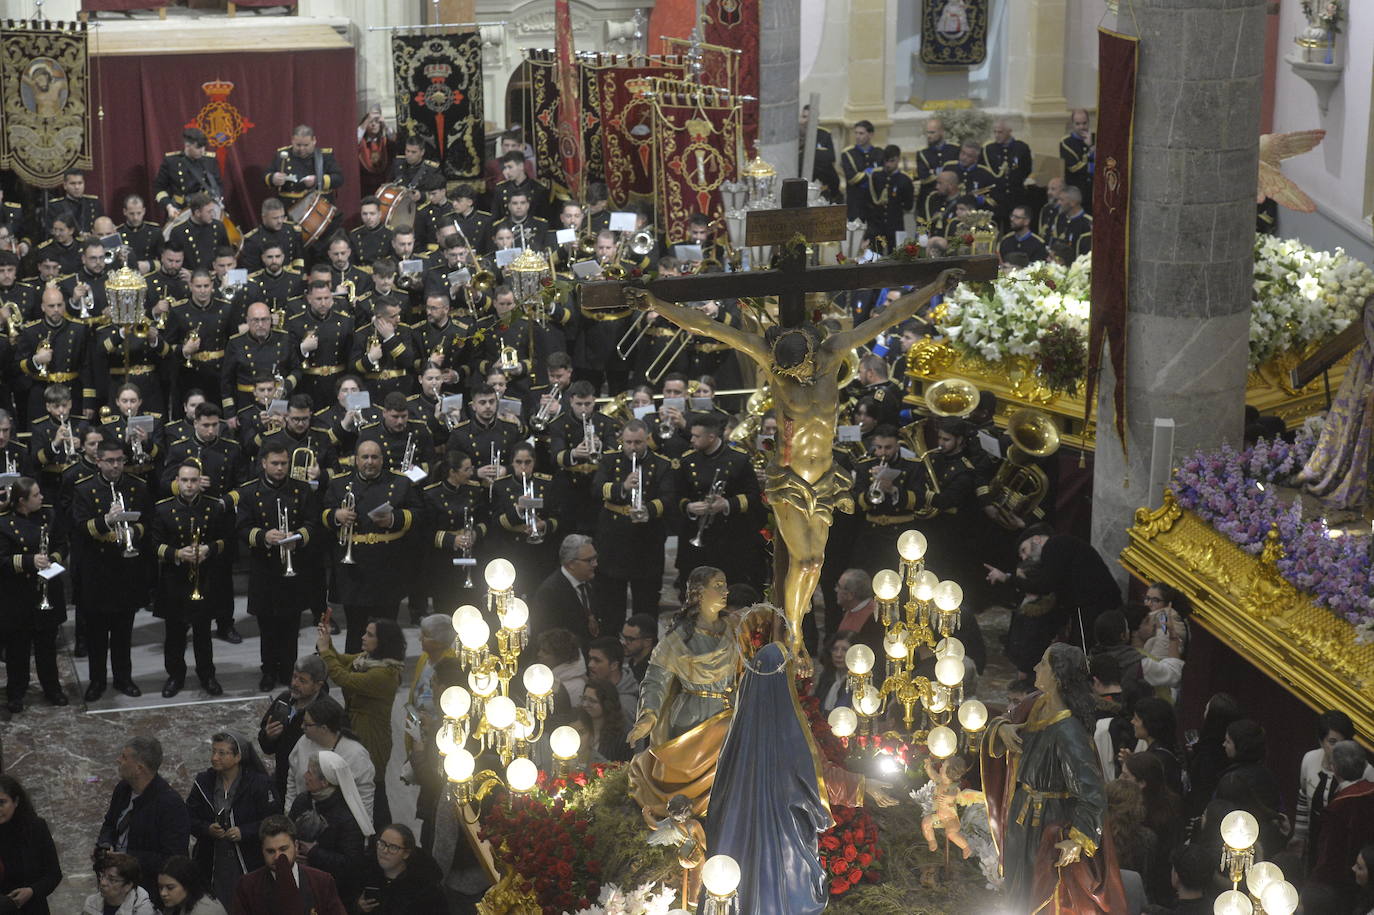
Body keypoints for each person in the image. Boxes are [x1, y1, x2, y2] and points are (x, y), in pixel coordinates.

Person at [641, 269, 965, 660]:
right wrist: (655, 304)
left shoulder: (834, 352)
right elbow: (708, 326)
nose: (793, 380)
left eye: (800, 373)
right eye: (785, 376)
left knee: (818, 564)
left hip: (826, 477)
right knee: (806, 559)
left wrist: (933, 286)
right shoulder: (770, 355)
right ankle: (793, 631)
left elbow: (886, 318)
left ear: (813, 356)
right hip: (791, 477)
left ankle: (798, 619)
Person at [981, 643, 1126, 913]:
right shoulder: (1037, 704)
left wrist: (1079, 838)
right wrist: (1001, 730)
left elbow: (1091, 791)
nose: (1036, 668)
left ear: (1058, 675)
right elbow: (1003, 718)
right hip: (1022, 816)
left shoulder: (1068, 730)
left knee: (1039, 893)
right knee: (1017, 886)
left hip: (1045, 820)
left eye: (1043, 664)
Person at [628, 566, 739, 822]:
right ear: (699, 594)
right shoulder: (677, 640)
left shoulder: (734, 630)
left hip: (729, 715)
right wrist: (648, 715)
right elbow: (655, 680)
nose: (725, 591)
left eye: (725, 585)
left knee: (725, 782)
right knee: (686, 785)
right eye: (718, 586)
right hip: (693, 719)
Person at [232, 442, 320, 691]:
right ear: (263, 464)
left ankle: (287, 670)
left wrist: (298, 537)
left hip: (294, 567)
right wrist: (263, 536)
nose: (280, 468)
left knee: (292, 626)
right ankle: (268, 670)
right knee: (267, 626)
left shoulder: (302, 490)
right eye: (275, 463)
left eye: (284, 464)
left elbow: (313, 523)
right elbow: (241, 527)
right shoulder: (249, 492)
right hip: (265, 567)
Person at [73, 436, 152, 700]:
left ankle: (123, 678)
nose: (116, 466)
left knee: (122, 632)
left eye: (120, 460)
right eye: (110, 461)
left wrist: (131, 531)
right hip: (97, 570)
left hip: (125, 571)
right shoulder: (83, 489)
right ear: (98, 461)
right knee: (96, 635)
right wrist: (107, 520)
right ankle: (97, 681)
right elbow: (80, 527)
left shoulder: (137, 486)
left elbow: (147, 523)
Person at [321, 440, 418, 652]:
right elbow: (323, 513)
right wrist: (337, 515)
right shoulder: (339, 483)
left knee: (387, 626)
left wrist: (394, 519)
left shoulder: (401, 483)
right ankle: (354, 673)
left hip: (387, 565)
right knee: (356, 627)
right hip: (354, 569)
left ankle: (387, 668)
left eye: (375, 457)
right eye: (365, 457)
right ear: (356, 460)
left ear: (382, 460)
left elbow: (417, 513)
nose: (370, 462)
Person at [317, 616, 404, 828]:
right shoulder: (366, 659)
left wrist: (324, 650)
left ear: (383, 641)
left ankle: (380, 832)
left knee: (373, 787)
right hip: (356, 725)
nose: (363, 637)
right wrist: (327, 643)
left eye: (370, 635)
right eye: (365, 632)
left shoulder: (385, 673)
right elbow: (342, 661)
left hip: (372, 736)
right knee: (355, 783)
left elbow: (343, 678)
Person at [152, 460, 228, 697]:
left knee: (203, 633)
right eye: (184, 480)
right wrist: (176, 553)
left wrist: (208, 549)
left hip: (204, 578)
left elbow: (225, 539)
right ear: (177, 482)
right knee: (174, 634)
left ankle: (207, 675)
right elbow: (153, 545)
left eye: (194, 480)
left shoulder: (214, 506)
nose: (189, 485)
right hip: (174, 580)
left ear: (200, 482)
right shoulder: (162, 509)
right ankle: (175, 676)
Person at [0, 477, 68, 711]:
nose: (42, 498)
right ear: (22, 501)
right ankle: (16, 692)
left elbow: (61, 545)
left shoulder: (49, 515)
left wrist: (52, 560)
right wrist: (30, 561)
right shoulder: (4, 523)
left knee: (47, 648)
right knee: (17, 649)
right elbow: (2, 560)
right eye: (36, 495)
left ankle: (52, 689)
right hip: (18, 596)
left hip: (45, 590)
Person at [186, 732, 278, 905]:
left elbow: (273, 821)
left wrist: (245, 831)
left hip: (248, 859)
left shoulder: (259, 784)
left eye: (222, 753)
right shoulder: (203, 781)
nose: (214, 757)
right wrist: (207, 829)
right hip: (212, 859)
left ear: (238, 757)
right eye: (213, 752)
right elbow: (188, 817)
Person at [96, 737, 192, 899]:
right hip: (115, 883)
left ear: (139, 768)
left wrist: (127, 857)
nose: (118, 760)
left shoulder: (170, 804)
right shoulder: (122, 789)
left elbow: (173, 858)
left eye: (124, 757)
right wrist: (105, 844)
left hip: (147, 890)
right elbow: (110, 824)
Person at [287, 751, 371, 903]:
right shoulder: (301, 801)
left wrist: (314, 852)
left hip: (330, 890)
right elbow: (288, 832)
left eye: (309, 772)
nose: (305, 776)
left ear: (324, 782)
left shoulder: (347, 818)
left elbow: (350, 864)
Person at [1296, 709, 1374, 865]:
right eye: (1332, 742)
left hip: (1347, 851)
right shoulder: (1310, 760)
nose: (1338, 748)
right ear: (1321, 741)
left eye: (1344, 742)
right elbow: (1303, 799)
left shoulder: (1367, 772)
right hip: (1315, 843)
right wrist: (1298, 836)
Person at [229, 815, 348, 915]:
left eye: (283, 849)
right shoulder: (247, 886)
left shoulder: (322, 882)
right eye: (270, 851)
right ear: (262, 851)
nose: (277, 857)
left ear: (296, 846)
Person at [283, 696, 376, 821]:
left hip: (340, 827)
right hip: (304, 821)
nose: (301, 727)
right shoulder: (303, 742)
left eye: (307, 724)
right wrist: (289, 812)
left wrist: (362, 830)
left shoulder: (356, 755)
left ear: (323, 729)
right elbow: (292, 779)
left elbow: (364, 796)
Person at [257, 656, 330, 799]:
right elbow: (266, 746)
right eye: (294, 677)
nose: (295, 683)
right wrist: (269, 737)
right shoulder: (284, 699)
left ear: (318, 685)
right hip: (282, 779)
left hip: (309, 787)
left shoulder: (327, 713)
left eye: (302, 680)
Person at [1310, 741, 1374, 901]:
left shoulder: (1338, 808)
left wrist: (1312, 888)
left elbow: (1328, 858)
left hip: (1341, 888)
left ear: (1334, 768)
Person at [1213, 719, 1287, 856]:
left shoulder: (1231, 781)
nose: (1224, 744)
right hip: (1267, 846)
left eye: (1228, 741)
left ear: (1241, 747)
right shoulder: (1268, 776)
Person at [0, 774, 63, 914]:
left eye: (1, 802)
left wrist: (32, 891)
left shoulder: (35, 828)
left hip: (32, 909)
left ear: (16, 801)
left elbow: (54, 874)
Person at [353, 824, 446, 915]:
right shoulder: (365, 874)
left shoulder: (424, 888)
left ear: (406, 854)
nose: (384, 851)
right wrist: (359, 908)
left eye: (393, 847)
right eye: (381, 843)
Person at [528, 533, 602, 642]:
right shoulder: (549, 593)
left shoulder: (591, 581)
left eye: (595, 558)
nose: (595, 564)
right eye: (589, 560)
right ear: (571, 564)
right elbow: (548, 638)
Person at [1185, 692, 1243, 819]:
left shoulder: (1210, 753)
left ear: (1212, 717)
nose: (1204, 712)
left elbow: (1202, 788)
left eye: (1207, 709)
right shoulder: (1227, 745)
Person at [84, 853, 157, 915]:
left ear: (128, 885)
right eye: (102, 876)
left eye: (111, 880)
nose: (103, 883)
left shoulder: (143, 910)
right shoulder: (92, 903)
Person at [581, 679, 631, 763]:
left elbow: (622, 771)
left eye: (592, 701)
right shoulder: (578, 726)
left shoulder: (621, 738)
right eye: (584, 698)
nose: (585, 704)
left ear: (607, 704)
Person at [156, 856, 227, 915]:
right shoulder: (175, 904)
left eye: (170, 888)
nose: (163, 893)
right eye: (160, 887)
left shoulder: (204, 911)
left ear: (187, 885)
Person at [534, 628, 586, 706]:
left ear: (561, 656)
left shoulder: (576, 687)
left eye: (546, 652)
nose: (539, 654)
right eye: (540, 650)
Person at [1061, 109, 1095, 215]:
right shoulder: (1066, 142)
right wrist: (1092, 154)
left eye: (1084, 123)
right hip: (1077, 192)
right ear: (1072, 124)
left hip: (1094, 191)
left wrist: (1090, 145)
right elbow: (1075, 167)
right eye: (1078, 124)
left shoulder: (1095, 138)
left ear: (1089, 122)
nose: (1082, 127)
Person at [620, 613, 658, 683]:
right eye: (623, 637)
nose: (624, 643)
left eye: (630, 639)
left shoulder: (652, 672)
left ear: (647, 642)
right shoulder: (631, 663)